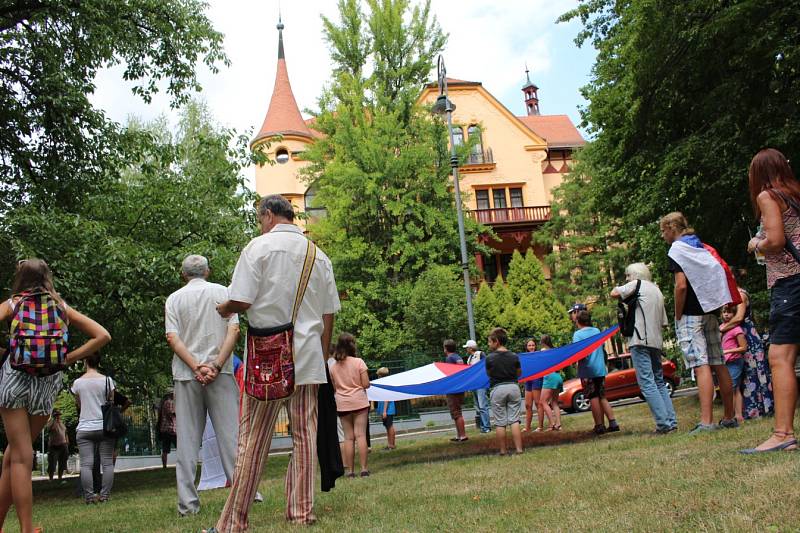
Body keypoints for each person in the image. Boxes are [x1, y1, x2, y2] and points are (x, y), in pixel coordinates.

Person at [206, 194, 340, 531]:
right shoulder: (318, 255)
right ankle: (300, 513)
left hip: (267, 359)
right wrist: (322, 358)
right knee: (304, 436)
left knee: (253, 438)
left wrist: (225, 308)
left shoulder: (257, 248)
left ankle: (234, 522)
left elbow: (241, 299)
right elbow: (328, 316)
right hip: (308, 356)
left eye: (258, 217)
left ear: (268, 215)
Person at [0, 259, 110, 533]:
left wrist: (7, 353)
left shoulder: (13, 303)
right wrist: (67, 358)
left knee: (19, 457)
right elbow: (102, 335)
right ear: (47, 278)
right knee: (14, 457)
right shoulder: (60, 306)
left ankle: (26, 529)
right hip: (46, 384)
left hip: (14, 379)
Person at [165, 254, 241, 517]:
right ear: (207, 271)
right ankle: (244, 494)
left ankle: (187, 504)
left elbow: (172, 338)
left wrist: (196, 366)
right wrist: (217, 365)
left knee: (187, 441)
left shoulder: (174, 299)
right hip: (220, 373)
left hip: (187, 375)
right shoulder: (223, 292)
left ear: (183, 274)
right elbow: (233, 331)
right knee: (231, 436)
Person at [743, 148, 800, 453]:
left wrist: (755, 244)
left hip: (790, 282)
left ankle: (783, 434)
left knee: (780, 357)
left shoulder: (769, 196)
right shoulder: (794, 194)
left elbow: (776, 241)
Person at [660, 212, 737, 434]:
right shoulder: (700, 246)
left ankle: (706, 421)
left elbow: (681, 285)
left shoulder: (677, 249)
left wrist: (677, 313)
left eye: (663, 231)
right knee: (718, 361)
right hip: (710, 310)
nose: (663, 235)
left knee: (700, 363)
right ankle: (729, 416)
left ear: (672, 228)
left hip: (691, 313)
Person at [610, 262, 677, 434]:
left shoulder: (636, 284)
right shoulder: (657, 291)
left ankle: (663, 425)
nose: (627, 278)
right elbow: (663, 323)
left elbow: (614, 293)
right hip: (656, 342)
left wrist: (624, 289)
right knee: (659, 382)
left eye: (628, 275)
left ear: (636, 275)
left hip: (639, 341)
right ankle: (671, 421)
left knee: (647, 383)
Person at [719, 286, 773, 419]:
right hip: (735, 337)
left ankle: (761, 409)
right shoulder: (728, 295)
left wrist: (721, 330)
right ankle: (745, 411)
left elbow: (738, 318)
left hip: (748, 337)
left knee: (754, 373)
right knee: (742, 377)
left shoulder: (740, 295)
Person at [72, 352, 117, 503]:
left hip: (85, 427)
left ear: (85, 361)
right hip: (104, 427)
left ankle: (89, 497)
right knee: (107, 462)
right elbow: (111, 400)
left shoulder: (77, 383)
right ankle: (104, 496)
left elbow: (79, 404)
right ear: (99, 362)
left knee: (86, 464)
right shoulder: (107, 381)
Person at [329, 333, 370, 477]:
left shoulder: (333, 367)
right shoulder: (359, 362)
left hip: (342, 404)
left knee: (348, 438)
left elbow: (334, 388)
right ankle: (364, 469)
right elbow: (366, 384)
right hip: (359, 402)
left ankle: (350, 471)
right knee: (360, 435)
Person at [573, 310, 619, 434]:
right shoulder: (596, 331)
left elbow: (579, 353)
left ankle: (599, 426)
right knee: (602, 396)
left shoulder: (577, 335)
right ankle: (613, 422)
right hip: (600, 369)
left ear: (578, 321)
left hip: (588, 370)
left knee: (593, 397)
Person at [485, 328, 523, 455]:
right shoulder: (514, 356)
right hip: (513, 387)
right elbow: (519, 373)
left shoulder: (489, 358)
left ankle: (503, 451)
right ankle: (519, 449)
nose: (489, 344)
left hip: (498, 389)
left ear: (496, 342)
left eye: (490, 342)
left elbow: (489, 374)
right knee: (514, 420)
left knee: (500, 422)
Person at [442, 339, 468, 442]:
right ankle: (459, 435)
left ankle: (462, 435)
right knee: (457, 411)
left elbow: (449, 374)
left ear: (446, 348)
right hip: (460, 387)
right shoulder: (458, 357)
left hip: (453, 388)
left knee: (456, 413)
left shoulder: (449, 358)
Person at [536, 335, 563, 431]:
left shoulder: (543, 350)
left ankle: (552, 424)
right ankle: (559, 424)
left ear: (543, 342)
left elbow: (539, 364)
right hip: (558, 376)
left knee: (542, 402)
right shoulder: (555, 350)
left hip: (549, 377)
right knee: (554, 402)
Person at [464, 340, 491, 433]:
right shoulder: (469, 359)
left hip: (481, 384)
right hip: (473, 385)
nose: (466, 349)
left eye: (467, 347)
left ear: (471, 348)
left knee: (483, 405)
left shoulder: (480, 354)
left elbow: (487, 365)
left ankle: (487, 427)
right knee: (478, 406)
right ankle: (483, 426)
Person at [521, 338, 544, 432]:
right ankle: (527, 427)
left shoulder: (538, 355)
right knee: (527, 405)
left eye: (533, 345)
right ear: (526, 347)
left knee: (538, 403)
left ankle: (540, 427)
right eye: (529, 345)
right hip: (528, 380)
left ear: (535, 346)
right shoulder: (524, 356)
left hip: (537, 379)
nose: (531, 347)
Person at [374, 367, 397, 449]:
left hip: (387, 410)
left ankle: (392, 445)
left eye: (378, 375)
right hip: (386, 409)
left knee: (389, 426)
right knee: (387, 426)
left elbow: (386, 398)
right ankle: (390, 444)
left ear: (381, 376)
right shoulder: (384, 383)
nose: (377, 377)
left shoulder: (385, 384)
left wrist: (384, 411)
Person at [46, 410, 69, 482]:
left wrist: (67, 441)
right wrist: (53, 420)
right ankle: (51, 478)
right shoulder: (51, 423)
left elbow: (65, 432)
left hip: (63, 445)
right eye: (56, 415)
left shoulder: (62, 423)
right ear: (53, 416)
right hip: (53, 446)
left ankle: (60, 477)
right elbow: (49, 429)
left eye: (59, 415)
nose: (58, 416)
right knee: (52, 463)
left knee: (62, 462)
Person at [156, 390, 177, 469]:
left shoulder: (162, 403)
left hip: (165, 428)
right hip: (171, 429)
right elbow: (171, 413)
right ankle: (182, 463)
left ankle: (164, 466)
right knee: (179, 447)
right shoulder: (169, 402)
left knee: (165, 449)